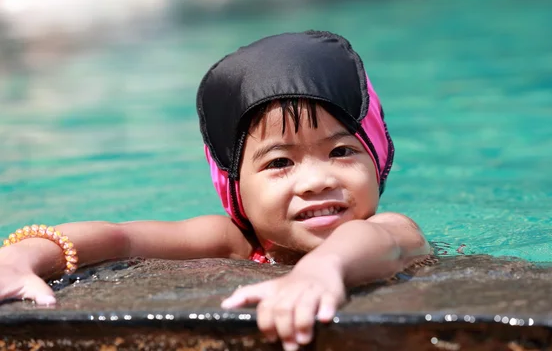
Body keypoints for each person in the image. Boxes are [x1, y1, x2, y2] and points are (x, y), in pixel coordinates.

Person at [0, 30, 431, 351]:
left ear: (377, 156)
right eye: (280, 162)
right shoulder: (235, 241)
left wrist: (321, 270)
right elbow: (120, 237)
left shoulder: (393, 229)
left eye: (340, 151)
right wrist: (22, 257)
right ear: (233, 185)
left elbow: (380, 244)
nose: (318, 179)